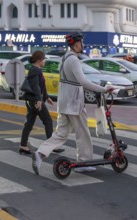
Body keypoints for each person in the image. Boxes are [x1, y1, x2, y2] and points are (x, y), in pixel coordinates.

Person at [32, 32, 114, 175]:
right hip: (74, 102)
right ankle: (83, 162)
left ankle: (40, 153)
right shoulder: (74, 60)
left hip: (64, 102)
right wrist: (104, 89)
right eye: (81, 42)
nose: (83, 45)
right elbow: (83, 81)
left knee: (62, 133)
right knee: (83, 133)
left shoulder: (65, 57)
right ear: (76, 44)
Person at [19, 50, 64, 154]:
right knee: (48, 121)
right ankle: (51, 146)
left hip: (32, 100)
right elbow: (35, 87)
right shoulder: (35, 70)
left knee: (29, 123)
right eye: (43, 60)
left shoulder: (36, 69)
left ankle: (23, 145)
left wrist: (46, 97)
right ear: (39, 60)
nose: (44, 62)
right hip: (35, 101)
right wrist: (39, 100)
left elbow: (41, 86)